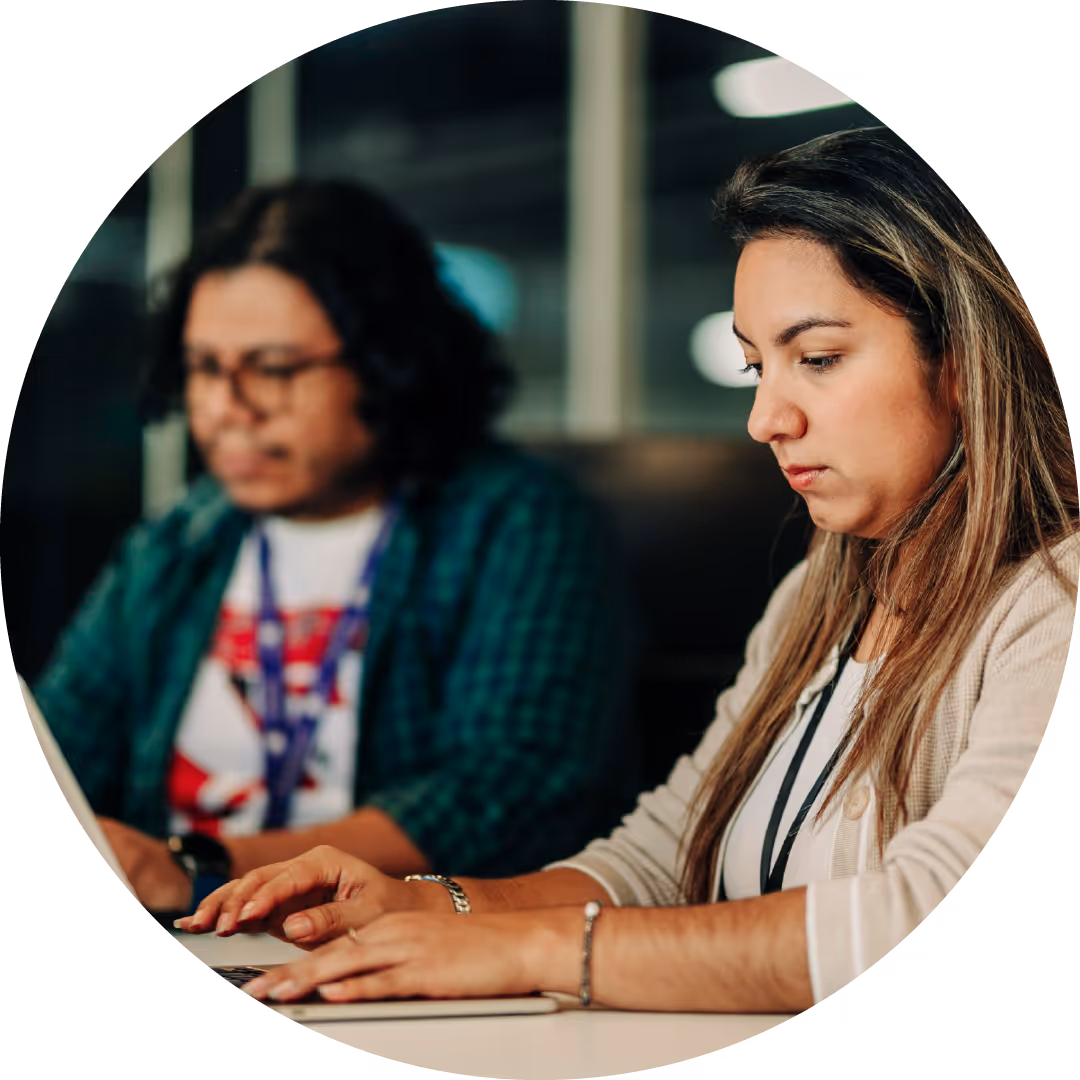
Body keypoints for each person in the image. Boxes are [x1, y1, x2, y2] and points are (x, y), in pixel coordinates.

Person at [179, 127, 1079, 1011]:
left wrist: (531, 949)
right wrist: (431, 903)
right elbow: (663, 856)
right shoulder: (822, 590)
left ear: (966, 359)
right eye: (757, 367)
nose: (768, 418)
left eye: (818, 359)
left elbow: (936, 919)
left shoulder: (1056, 601)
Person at [34, 179, 636, 914]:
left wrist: (202, 868)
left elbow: (512, 790)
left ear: (388, 364)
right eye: (203, 368)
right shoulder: (176, 544)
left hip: (401, 948)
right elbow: (61, 756)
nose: (229, 409)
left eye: (275, 369)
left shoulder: (514, 522)